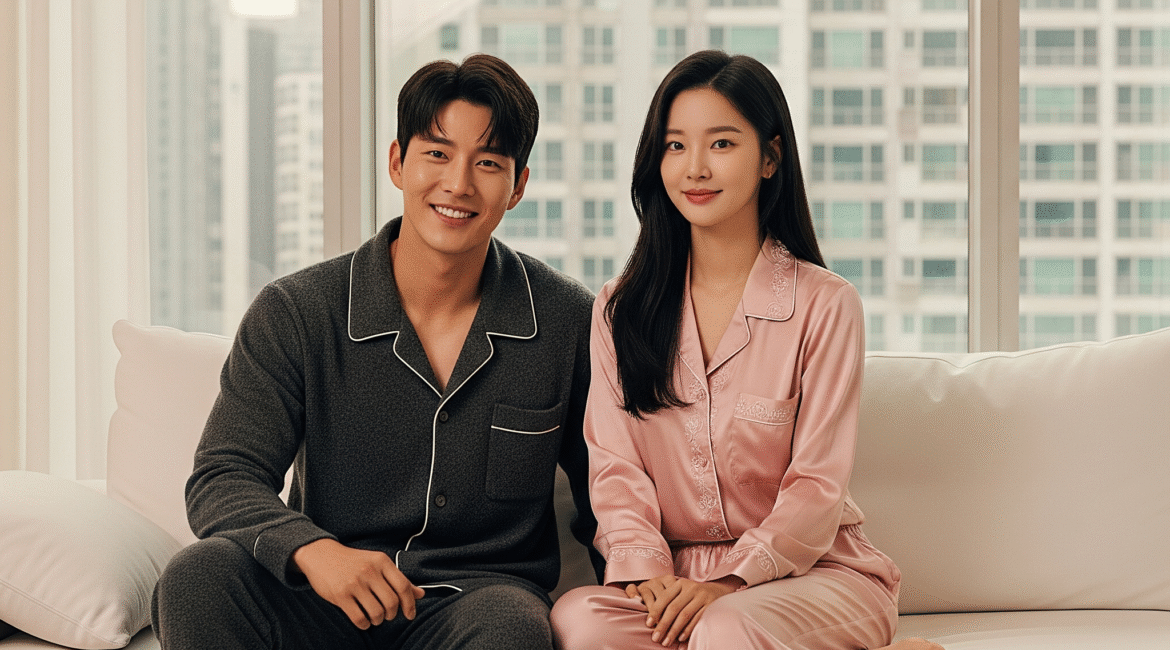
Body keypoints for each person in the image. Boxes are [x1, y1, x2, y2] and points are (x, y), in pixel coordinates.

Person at [151, 54, 603, 650]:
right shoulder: (297, 310)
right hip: (321, 600)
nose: (458, 184)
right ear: (397, 162)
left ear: (517, 186)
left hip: (474, 609)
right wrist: (316, 552)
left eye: (487, 163)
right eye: (437, 154)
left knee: (511, 629)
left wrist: (651, 583)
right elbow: (222, 476)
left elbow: (611, 489)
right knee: (197, 577)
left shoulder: (568, 320)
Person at [549, 51, 943, 650]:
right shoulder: (618, 308)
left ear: (770, 157)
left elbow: (816, 485)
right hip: (677, 583)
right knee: (582, 620)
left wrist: (734, 581)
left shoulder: (825, 305)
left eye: (722, 144)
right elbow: (616, 467)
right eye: (675, 146)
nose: (695, 168)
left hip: (815, 577)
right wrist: (650, 576)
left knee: (728, 627)